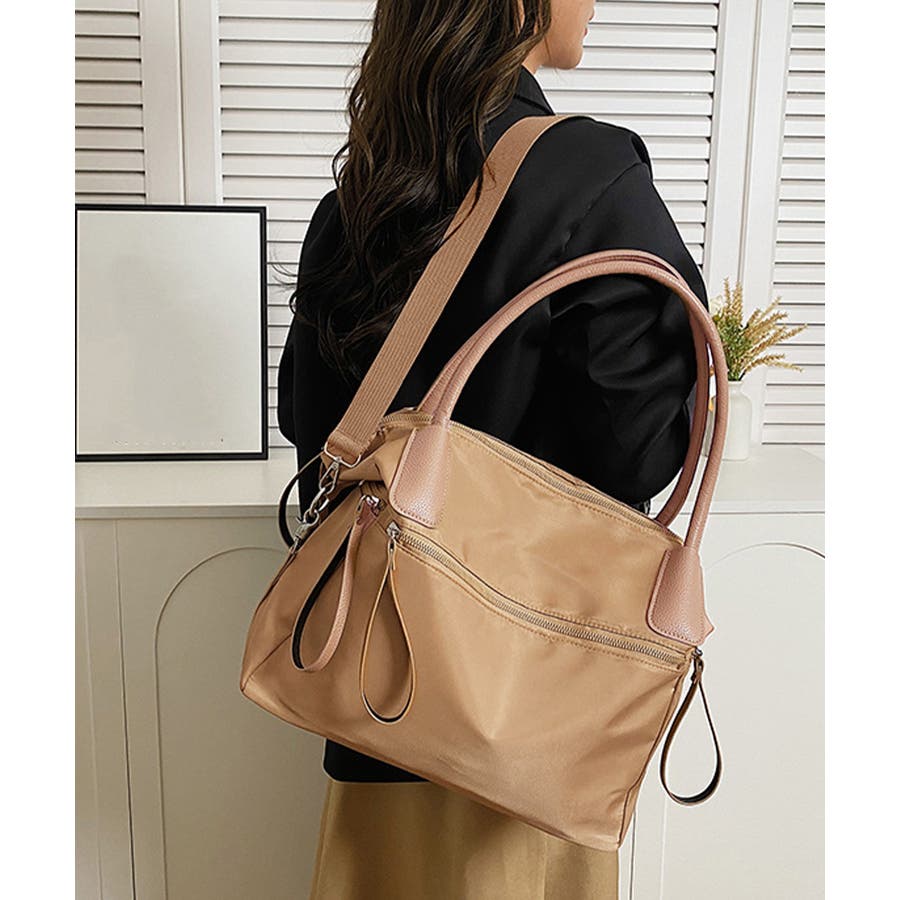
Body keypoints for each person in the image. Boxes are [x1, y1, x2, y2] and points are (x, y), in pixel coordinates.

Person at [276, 1, 708, 897]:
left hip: (373, 706)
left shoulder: (359, 194)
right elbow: (637, 454)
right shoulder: (591, 174)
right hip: (526, 727)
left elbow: (311, 423)